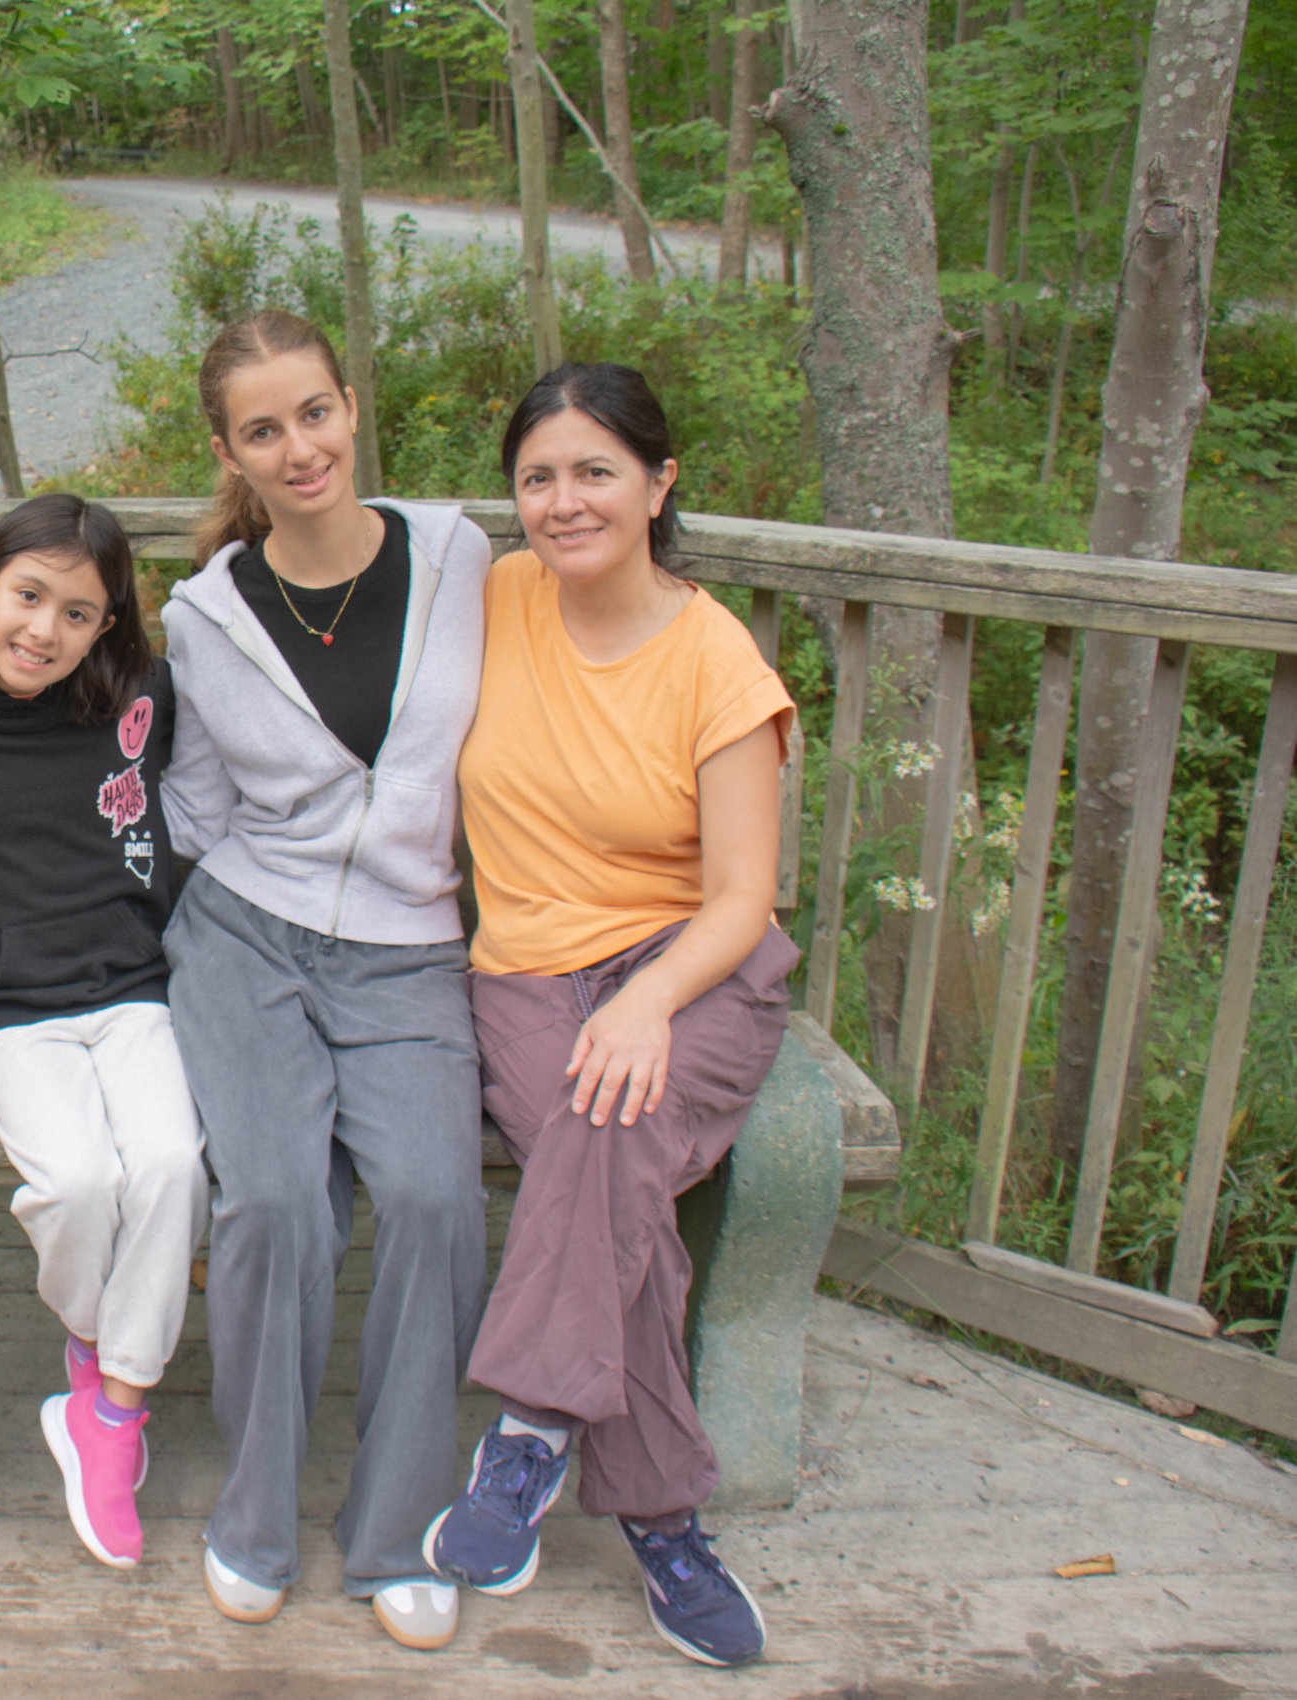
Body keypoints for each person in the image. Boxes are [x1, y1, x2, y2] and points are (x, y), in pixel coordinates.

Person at [421, 362, 795, 1670]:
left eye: (593, 471)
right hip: (522, 974)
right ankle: (663, 1522)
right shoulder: (490, 595)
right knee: (608, 1155)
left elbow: (744, 892)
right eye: (536, 476)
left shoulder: (713, 658)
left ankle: (527, 1430)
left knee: (604, 1120)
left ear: (656, 482)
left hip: (692, 970)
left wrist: (649, 998)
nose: (562, 501)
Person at [159, 310, 491, 1651]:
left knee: (430, 1198)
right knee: (278, 1204)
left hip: (412, 947)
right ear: (228, 454)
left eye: (311, 413)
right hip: (248, 936)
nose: (295, 448)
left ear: (349, 405)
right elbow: (183, 803)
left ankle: (399, 1529)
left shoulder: (460, 556)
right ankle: (251, 1511)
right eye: (260, 430)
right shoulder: (201, 614)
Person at [0, 493, 207, 1571]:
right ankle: (98, 1339)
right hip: (9, 1008)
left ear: (108, 627)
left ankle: (112, 1407)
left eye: (79, 612)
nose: (44, 630)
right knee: (75, 1182)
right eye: (27, 596)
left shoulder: (138, 698)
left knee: (167, 1163)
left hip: (136, 988)